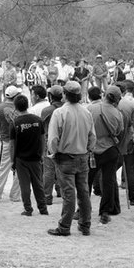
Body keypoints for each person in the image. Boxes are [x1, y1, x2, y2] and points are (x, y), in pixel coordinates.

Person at [46, 81, 96, 237]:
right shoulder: (86, 112)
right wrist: (87, 149)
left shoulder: (60, 113)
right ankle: (85, 225)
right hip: (83, 156)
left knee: (68, 194)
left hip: (65, 157)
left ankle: (64, 226)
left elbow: (53, 139)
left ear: (64, 95)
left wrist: (53, 153)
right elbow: (92, 137)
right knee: (84, 192)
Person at [87, 86, 124, 224]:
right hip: (109, 150)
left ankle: (83, 209)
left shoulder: (90, 109)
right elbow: (119, 131)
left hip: (92, 150)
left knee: (87, 181)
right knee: (108, 181)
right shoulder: (117, 113)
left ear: (105, 95)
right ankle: (105, 211)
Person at [9, 94, 48, 216]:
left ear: (15, 107)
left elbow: (12, 145)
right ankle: (43, 208)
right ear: (28, 104)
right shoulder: (38, 120)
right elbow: (43, 139)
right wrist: (42, 154)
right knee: (38, 184)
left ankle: (28, 209)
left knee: (24, 185)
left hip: (21, 159)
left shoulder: (15, 123)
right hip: (36, 157)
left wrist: (12, 160)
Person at [0, 86, 22, 203]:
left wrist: (3, 132)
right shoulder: (20, 108)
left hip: (5, 142)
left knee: (1, 169)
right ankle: (15, 196)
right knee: (19, 170)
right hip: (19, 142)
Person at [115, 80, 134, 206]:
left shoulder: (107, 105)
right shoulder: (130, 104)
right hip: (128, 139)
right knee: (130, 169)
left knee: (109, 169)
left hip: (113, 141)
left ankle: (106, 193)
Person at [41, 85, 64, 205]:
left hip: (49, 142)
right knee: (62, 169)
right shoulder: (66, 108)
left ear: (50, 96)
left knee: (49, 171)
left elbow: (42, 129)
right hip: (64, 142)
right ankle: (61, 191)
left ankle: (47, 197)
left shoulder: (47, 110)